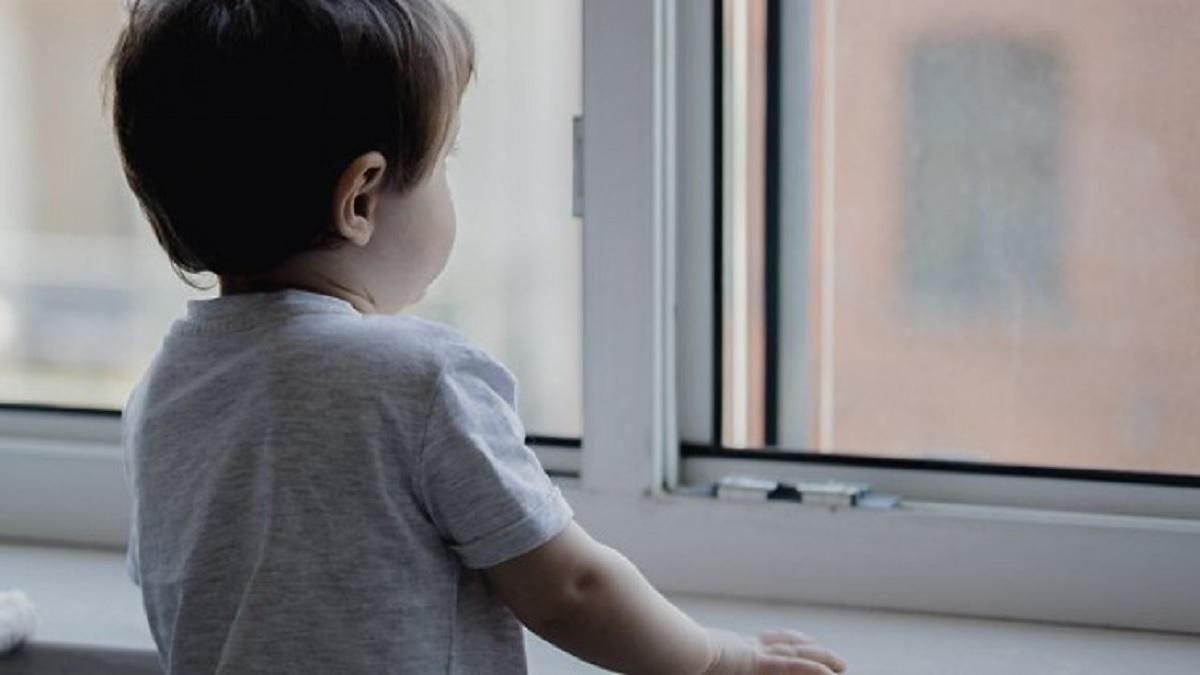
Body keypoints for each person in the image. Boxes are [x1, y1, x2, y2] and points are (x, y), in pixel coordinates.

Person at [109, 1, 848, 673]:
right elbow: (568, 587)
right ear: (360, 198)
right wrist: (722, 659)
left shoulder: (161, 393)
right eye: (445, 161)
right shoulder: (417, 379)